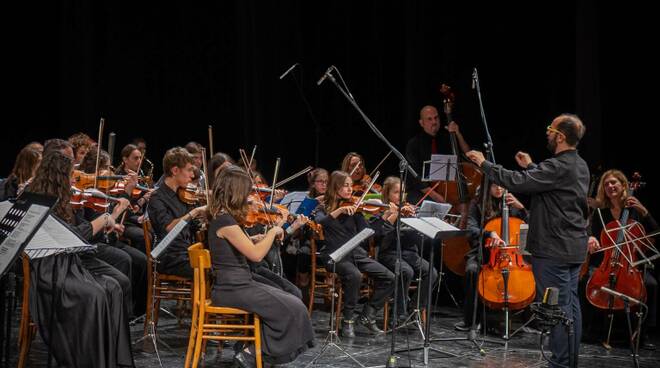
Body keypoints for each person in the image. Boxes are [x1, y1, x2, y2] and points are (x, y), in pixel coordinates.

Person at [466, 113, 597, 367]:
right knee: (571, 308)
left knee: (557, 310)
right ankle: (568, 362)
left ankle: (560, 363)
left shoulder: (558, 166)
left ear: (560, 136)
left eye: (551, 129)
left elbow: (518, 182)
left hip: (555, 250)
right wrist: (531, 166)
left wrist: (484, 164)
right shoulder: (579, 164)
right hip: (572, 248)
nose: (547, 133)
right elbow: (548, 181)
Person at [27, 151, 133, 367]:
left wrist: (108, 220)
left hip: (69, 261)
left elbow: (76, 231)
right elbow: (73, 235)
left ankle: (112, 359)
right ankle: (89, 360)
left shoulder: (63, 198)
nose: (73, 180)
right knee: (95, 295)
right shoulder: (41, 199)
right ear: (58, 176)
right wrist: (105, 219)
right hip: (50, 267)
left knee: (113, 286)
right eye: (69, 175)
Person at [207, 165, 314, 367]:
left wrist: (257, 237)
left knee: (293, 300)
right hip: (234, 288)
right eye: (247, 191)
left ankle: (251, 351)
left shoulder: (225, 219)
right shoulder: (226, 221)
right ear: (237, 192)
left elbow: (244, 247)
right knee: (294, 308)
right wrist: (273, 232)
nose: (250, 196)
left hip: (239, 284)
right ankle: (252, 353)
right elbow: (256, 256)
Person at [314, 170, 394, 337]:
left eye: (351, 185)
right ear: (335, 187)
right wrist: (338, 212)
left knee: (390, 277)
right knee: (355, 275)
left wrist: (385, 218)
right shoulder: (322, 207)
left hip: (355, 254)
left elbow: (369, 232)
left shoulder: (355, 210)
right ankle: (348, 320)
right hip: (333, 255)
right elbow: (320, 222)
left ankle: (368, 315)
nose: (350, 189)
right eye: (345, 185)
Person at [585, 169, 658, 349]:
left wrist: (644, 211)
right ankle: (594, 331)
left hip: (630, 263)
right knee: (588, 283)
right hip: (606, 262)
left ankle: (642, 333)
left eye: (614, 183)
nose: (610, 186)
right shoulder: (601, 213)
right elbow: (591, 234)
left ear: (624, 185)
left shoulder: (635, 210)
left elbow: (656, 232)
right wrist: (591, 238)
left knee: (651, 285)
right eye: (606, 184)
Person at [455, 183, 527, 331]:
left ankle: (528, 319)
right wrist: (489, 233)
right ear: (487, 186)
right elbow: (471, 229)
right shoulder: (477, 204)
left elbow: (531, 223)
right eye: (495, 186)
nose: (499, 189)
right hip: (484, 252)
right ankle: (471, 320)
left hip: (511, 257)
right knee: (471, 270)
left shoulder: (511, 203)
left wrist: (522, 209)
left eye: (502, 185)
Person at [377, 176, 438, 324]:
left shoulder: (410, 210)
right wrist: (394, 216)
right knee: (406, 271)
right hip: (390, 254)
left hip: (410, 254)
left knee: (432, 273)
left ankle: (414, 308)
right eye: (396, 192)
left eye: (402, 192)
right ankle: (397, 312)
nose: (401, 196)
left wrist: (418, 222)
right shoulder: (383, 211)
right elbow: (381, 238)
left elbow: (418, 239)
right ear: (387, 194)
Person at [147, 147, 207, 278]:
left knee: (220, 265)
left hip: (186, 252)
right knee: (210, 271)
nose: (192, 175)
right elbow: (168, 228)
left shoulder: (184, 195)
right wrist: (195, 212)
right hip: (169, 258)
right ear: (175, 170)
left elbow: (194, 226)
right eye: (189, 170)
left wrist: (206, 220)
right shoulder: (157, 198)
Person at [405, 105, 470, 204]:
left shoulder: (447, 139)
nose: (434, 122)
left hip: (445, 190)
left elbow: (468, 155)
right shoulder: (414, 144)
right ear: (422, 123)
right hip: (421, 192)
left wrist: (458, 134)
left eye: (436, 118)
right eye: (429, 119)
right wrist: (435, 196)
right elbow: (415, 177)